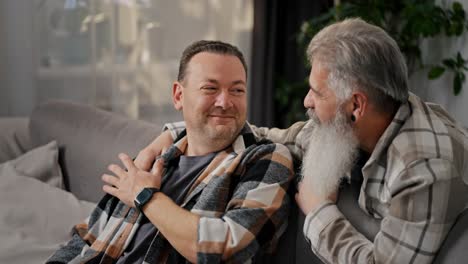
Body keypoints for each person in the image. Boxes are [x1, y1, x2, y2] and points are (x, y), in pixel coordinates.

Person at [135, 18, 468, 263]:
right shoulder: (348, 123)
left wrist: (319, 210)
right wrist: (172, 132)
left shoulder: (424, 168)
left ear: (355, 105)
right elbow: (268, 135)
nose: (307, 101)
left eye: (317, 92)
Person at [46, 40, 293, 263]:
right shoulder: (151, 159)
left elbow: (226, 247)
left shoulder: (265, 160)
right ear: (178, 95)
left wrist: (146, 197)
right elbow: (87, 236)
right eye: (210, 88)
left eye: (237, 90)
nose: (225, 102)